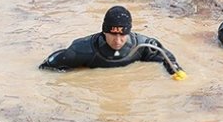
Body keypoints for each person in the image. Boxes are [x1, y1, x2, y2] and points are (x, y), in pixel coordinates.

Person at [39, 5, 185, 78]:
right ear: (104, 31)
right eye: (112, 34)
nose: (117, 40)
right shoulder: (83, 49)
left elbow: (168, 59)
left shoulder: (143, 45)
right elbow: (48, 66)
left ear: (129, 32)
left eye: (123, 35)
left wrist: (176, 73)